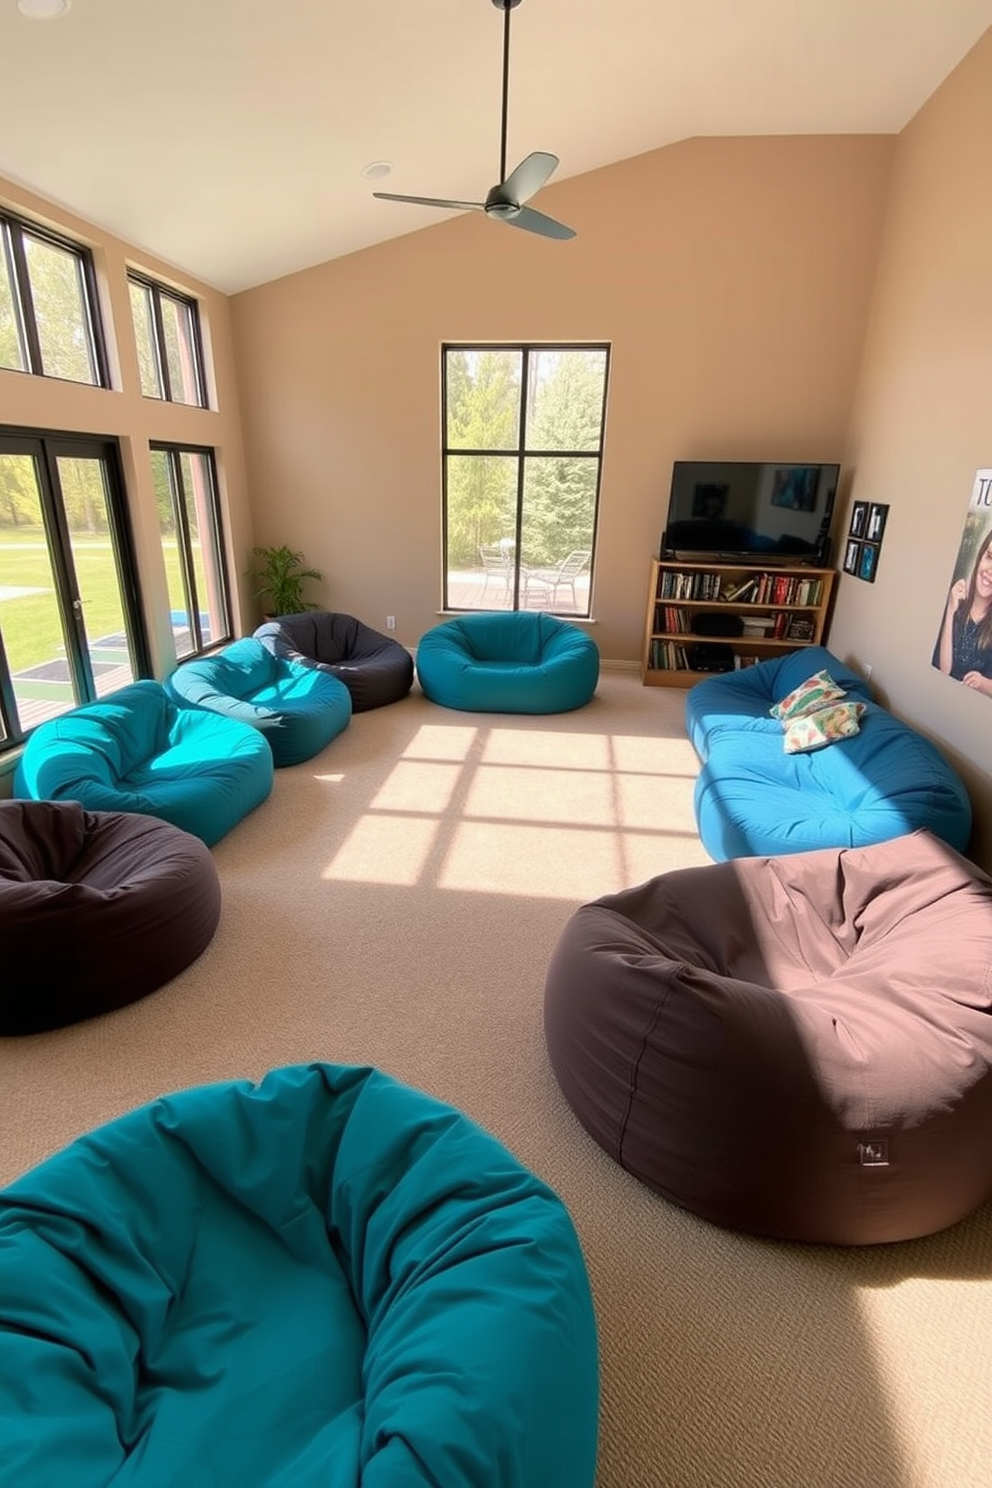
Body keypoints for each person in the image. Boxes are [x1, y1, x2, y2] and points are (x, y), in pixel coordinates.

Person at [934, 531, 992, 695]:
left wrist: (984, 683)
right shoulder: (958, 601)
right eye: (989, 556)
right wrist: (951, 610)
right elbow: (945, 670)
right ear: (980, 557)